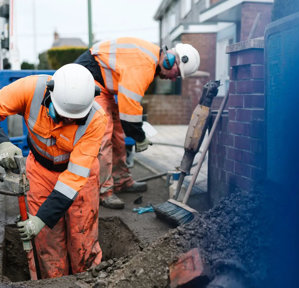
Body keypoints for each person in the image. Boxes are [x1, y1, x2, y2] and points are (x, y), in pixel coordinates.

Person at [0, 64, 107, 279]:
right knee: (47, 242)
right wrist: (2, 143)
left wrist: (41, 218)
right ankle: (54, 282)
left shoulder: (96, 118)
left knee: (82, 239)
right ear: (50, 92)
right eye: (62, 114)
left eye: (75, 118)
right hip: (40, 171)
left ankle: (87, 281)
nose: (68, 121)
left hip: (80, 178)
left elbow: (74, 178)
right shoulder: (30, 89)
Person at [75, 37, 200, 209]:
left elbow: (129, 108)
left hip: (102, 82)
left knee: (118, 134)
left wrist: (136, 132)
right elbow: (129, 111)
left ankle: (121, 180)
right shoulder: (145, 65)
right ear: (172, 62)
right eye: (177, 75)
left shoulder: (151, 59)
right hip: (90, 76)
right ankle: (105, 191)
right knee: (103, 135)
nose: (173, 80)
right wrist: (139, 136)